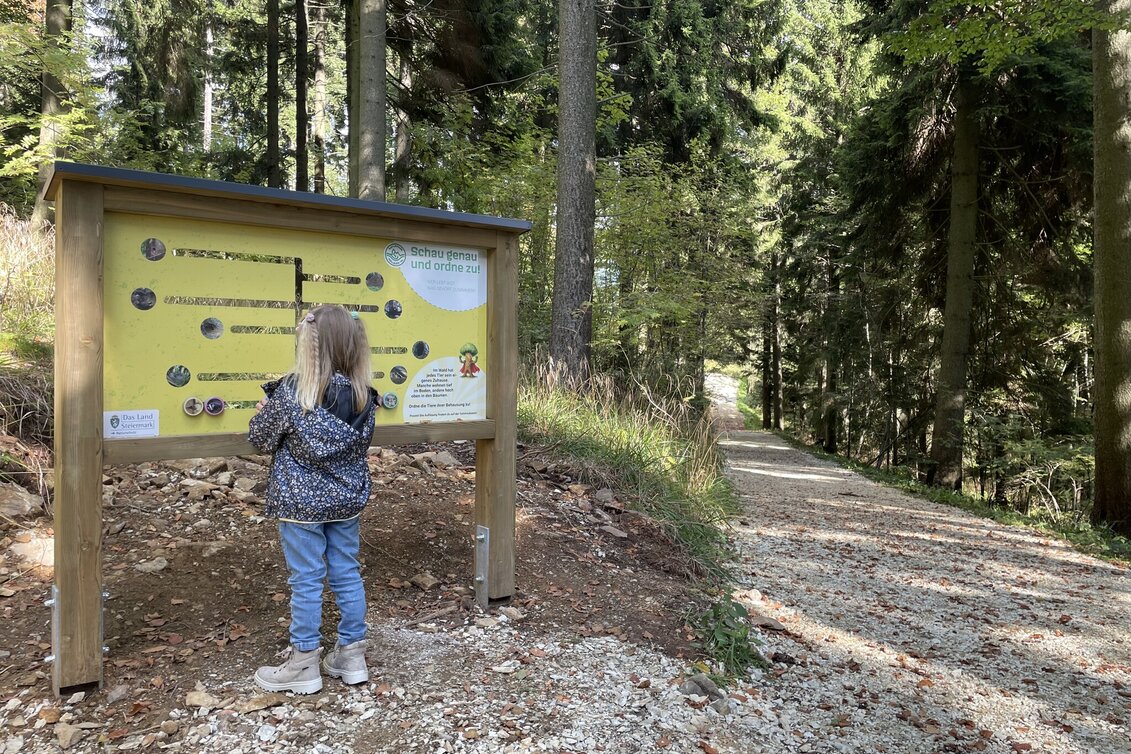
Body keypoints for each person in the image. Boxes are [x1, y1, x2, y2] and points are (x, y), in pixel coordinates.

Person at [248, 305, 378, 694]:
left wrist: (263, 414)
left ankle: (304, 661)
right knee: (347, 572)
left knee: (306, 580)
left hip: (300, 504)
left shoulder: (292, 394)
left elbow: (260, 439)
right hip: (346, 501)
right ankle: (351, 655)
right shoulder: (364, 397)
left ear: (311, 346)